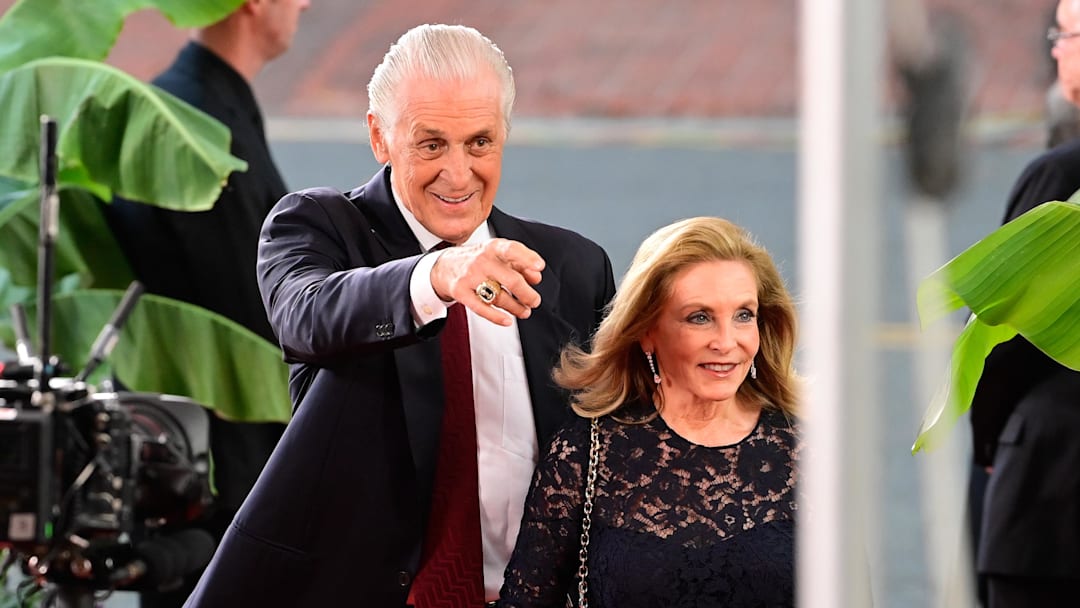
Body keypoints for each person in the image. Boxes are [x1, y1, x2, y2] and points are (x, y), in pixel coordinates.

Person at [183, 23, 615, 608]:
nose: (459, 174)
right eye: (431, 144)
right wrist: (437, 276)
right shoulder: (317, 226)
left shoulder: (573, 265)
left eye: (480, 143)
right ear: (379, 137)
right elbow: (306, 315)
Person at [101, 1, 310, 605]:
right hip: (213, 467)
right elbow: (258, 305)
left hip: (205, 454)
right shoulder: (189, 121)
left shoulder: (197, 104)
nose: (304, 4)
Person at [498, 217, 801, 607]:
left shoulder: (807, 451)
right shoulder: (586, 452)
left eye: (743, 315)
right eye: (700, 317)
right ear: (646, 332)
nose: (727, 342)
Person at [969, 1, 1080, 605]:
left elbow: (998, 336)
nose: (1056, 49)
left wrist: (988, 445)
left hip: (1052, 494)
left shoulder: (1061, 176)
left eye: (1063, 35)